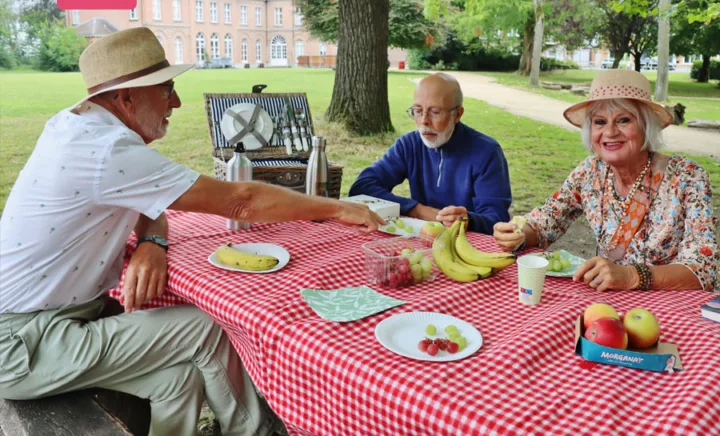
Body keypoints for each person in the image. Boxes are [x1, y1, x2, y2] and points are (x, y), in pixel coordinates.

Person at [0, 27, 383, 436]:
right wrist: (337, 207)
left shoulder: (78, 127)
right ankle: (258, 431)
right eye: (166, 89)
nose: (177, 102)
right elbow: (243, 201)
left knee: (178, 380)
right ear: (126, 98)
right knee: (207, 326)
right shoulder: (107, 151)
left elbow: (153, 200)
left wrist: (152, 241)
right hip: (24, 343)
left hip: (42, 323)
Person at [493, 69, 719, 292]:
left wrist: (632, 275)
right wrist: (518, 235)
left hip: (670, 311)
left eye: (623, 120)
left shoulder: (687, 177)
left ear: (645, 126)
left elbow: (703, 270)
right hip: (605, 305)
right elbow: (545, 224)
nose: (610, 132)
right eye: (600, 122)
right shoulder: (589, 172)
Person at [349, 73, 512, 235]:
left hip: (469, 244)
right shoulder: (409, 145)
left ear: (458, 114)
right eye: (418, 111)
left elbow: (497, 219)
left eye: (435, 112)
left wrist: (469, 219)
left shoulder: (486, 152)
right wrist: (417, 210)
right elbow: (362, 187)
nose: (424, 121)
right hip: (421, 238)